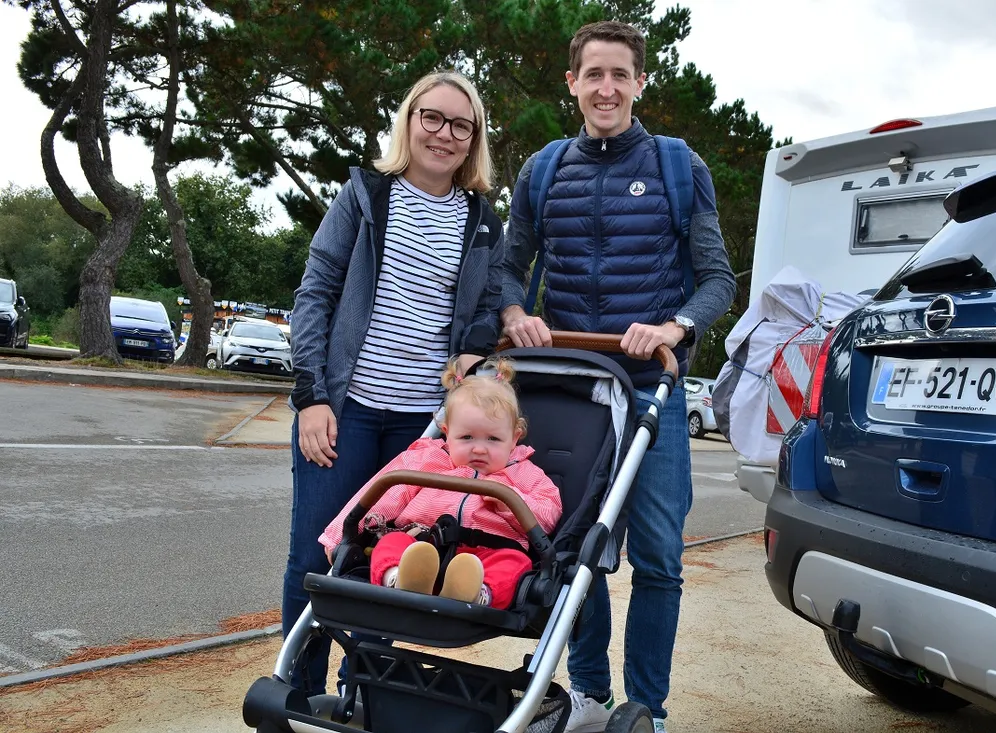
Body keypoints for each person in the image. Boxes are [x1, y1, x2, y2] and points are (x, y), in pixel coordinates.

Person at [498, 20, 736, 733]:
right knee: (576, 552)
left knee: (659, 556)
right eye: (593, 74)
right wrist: (514, 311)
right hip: (574, 391)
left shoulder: (676, 165)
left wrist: (673, 327)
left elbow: (717, 279)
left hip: (650, 388)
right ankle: (589, 694)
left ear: (640, 83)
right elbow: (509, 266)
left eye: (620, 75)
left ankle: (647, 710)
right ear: (572, 83)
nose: (607, 88)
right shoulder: (543, 170)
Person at [285, 70, 505, 696]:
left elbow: (489, 305)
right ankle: (297, 693)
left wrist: (473, 346)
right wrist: (312, 397)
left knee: (387, 563)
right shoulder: (364, 195)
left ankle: (362, 697)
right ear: (409, 121)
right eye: (431, 117)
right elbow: (315, 294)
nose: (444, 134)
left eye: (460, 125)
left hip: (422, 428)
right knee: (316, 557)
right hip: (344, 412)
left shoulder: (482, 222)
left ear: (473, 141)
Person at [319, 358, 562, 610]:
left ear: (514, 438)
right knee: (391, 543)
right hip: (423, 545)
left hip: (489, 553)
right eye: (466, 437)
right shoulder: (428, 460)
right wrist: (340, 536)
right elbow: (382, 496)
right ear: (446, 432)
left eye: (493, 439)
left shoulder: (524, 473)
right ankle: (399, 578)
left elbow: (548, 514)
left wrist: (510, 502)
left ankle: (478, 593)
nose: (479, 449)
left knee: (514, 563)